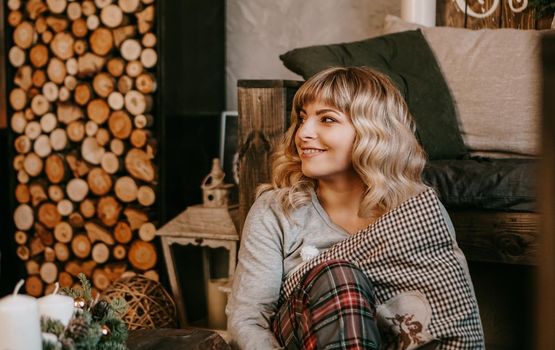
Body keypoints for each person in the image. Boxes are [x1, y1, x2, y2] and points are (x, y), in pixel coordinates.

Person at [227, 67, 484, 349]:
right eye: (302, 119)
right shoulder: (276, 211)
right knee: (337, 276)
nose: (303, 133)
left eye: (326, 119)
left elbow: (451, 318)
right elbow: (249, 319)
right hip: (296, 340)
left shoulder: (417, 213)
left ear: (372, 132)